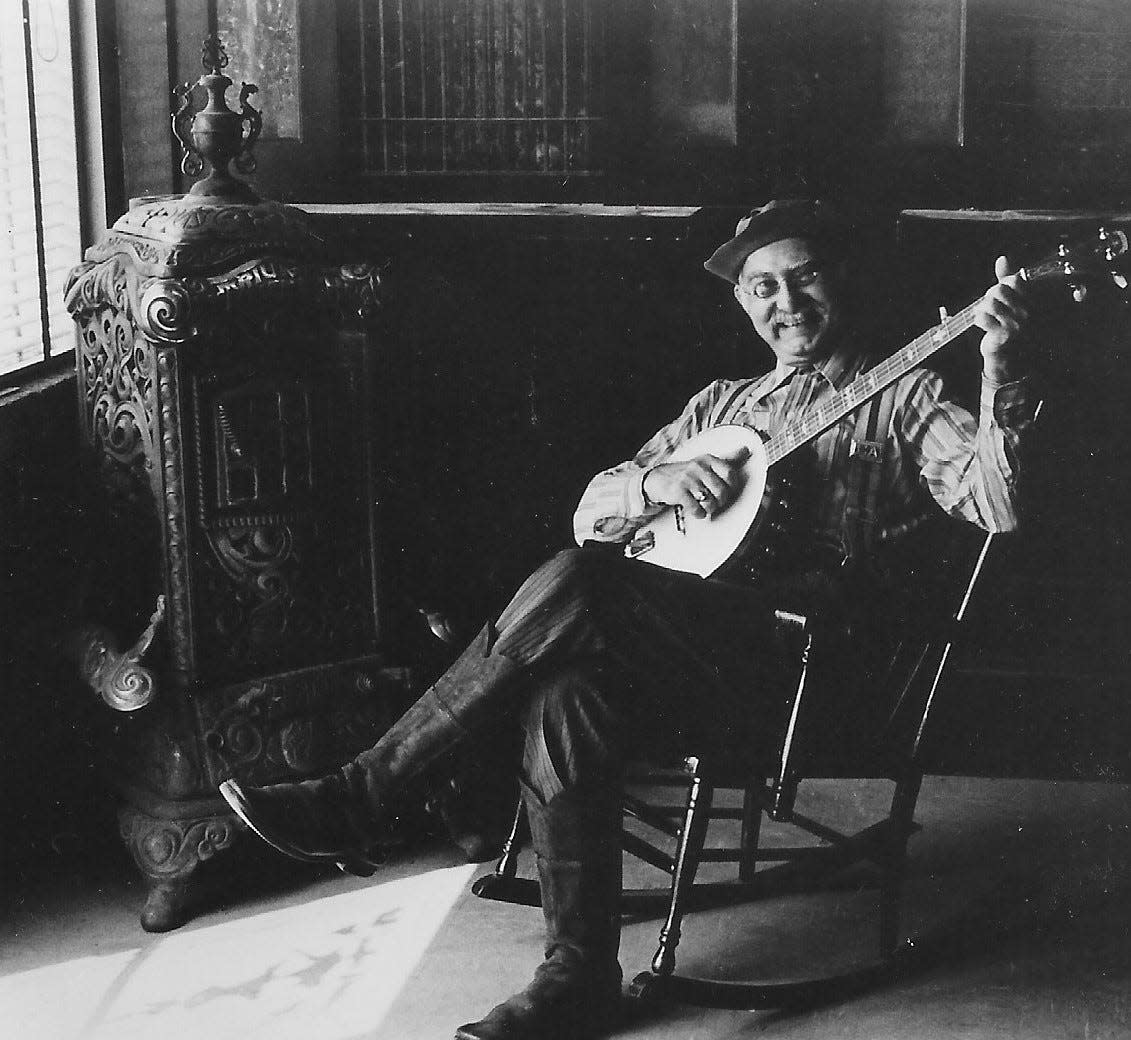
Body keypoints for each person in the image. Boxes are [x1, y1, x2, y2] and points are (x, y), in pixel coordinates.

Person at [220, 199, 1037, 1040]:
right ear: (741, 304)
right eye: (761, 287)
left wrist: (999, 365)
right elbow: (591, 513)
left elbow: (998, 506)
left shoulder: (904, 393)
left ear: (841, 279)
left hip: (805, 681)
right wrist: (655, 486)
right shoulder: (721, 405)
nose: (784, 302)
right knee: (570, 681)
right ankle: (576, 978)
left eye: (805, 276)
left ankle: (365, 791)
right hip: (685, 659)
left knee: (580, 586)